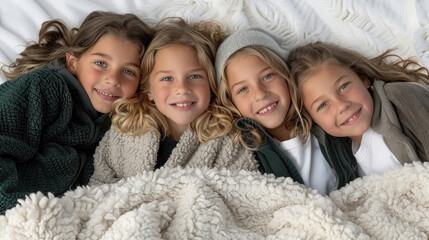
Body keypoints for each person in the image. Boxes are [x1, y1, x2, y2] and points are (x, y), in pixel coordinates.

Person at [0, 11, 153, 214]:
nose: (113, 79)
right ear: (73, 63)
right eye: (101, 63)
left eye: (128, 71)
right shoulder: (43, 87)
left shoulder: (118, 126)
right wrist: (18, 213)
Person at [89, 19, 258, 185]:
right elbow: (99, 186)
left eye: (194, 76)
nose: (182, 89)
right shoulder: (126, 131)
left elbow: (243, 192)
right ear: (149, 90)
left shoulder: (227, 139)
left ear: (211, 84)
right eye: (167, 78)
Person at [215, 28, 358, 195]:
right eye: (243, 89)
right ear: (230, 101)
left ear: (286, 75)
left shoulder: (324, 118)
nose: (260, 94)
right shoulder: (244, 155)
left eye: (268, 76)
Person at [287, 41, 429, 177]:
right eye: (323, 105)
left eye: (344, 86)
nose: (342, 105)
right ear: (312, 118)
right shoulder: (342, 159)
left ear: (363, 79)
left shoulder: (400, 98)